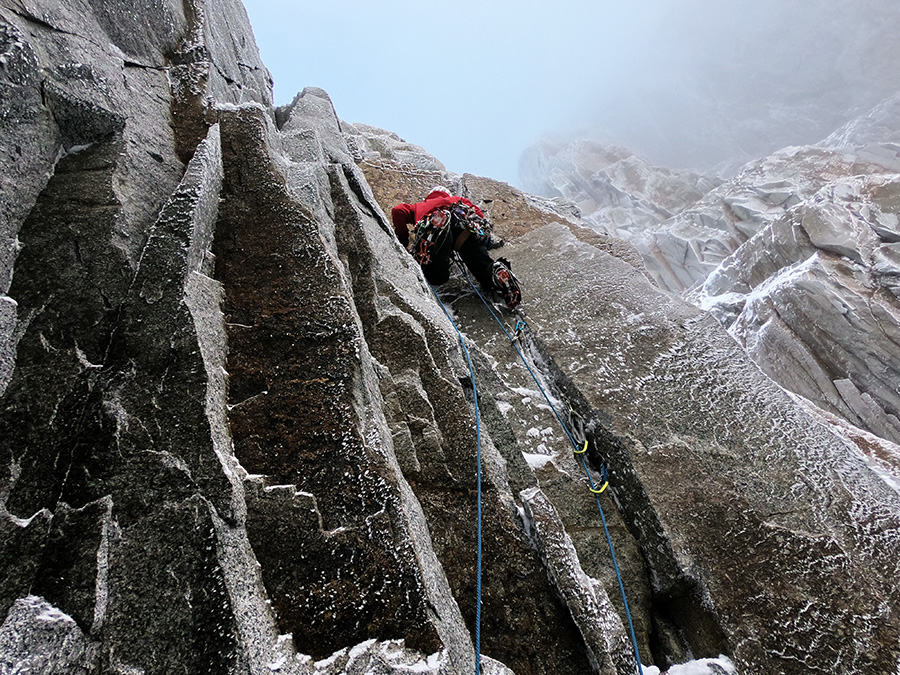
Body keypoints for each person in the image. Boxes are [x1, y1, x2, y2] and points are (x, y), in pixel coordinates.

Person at [391, 186, 521, 309]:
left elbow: (398, 211)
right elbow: (478, 214)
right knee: (481, 267)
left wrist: (402, 240)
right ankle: (495, 271)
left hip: (435, 234)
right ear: (447, 194)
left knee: (438, 276)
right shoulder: (458, 200)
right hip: (463, 230)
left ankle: (438, 226)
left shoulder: (419, 206)